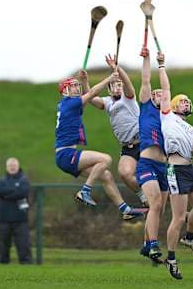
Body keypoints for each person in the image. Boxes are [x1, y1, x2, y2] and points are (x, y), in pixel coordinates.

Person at [54, 69, 147, 220]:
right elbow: (92, 94)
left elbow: (87, 100)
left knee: (106, 176)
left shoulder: (69, 105)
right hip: (66, 154)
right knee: (105, 160)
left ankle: (125, 209)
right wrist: (109, 78)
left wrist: (84, 81)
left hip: (64, 156)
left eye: (77, 86)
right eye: (73, 87)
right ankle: (85, 191)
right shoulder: (70, 103)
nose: (77, 89)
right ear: (65, 91)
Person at [158, 51, 193, 280]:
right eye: (183, 100)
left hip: (189, 168)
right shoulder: (167, 116)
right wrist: (162, 66)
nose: (186, 102)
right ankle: (171, 258)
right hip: (174, 169)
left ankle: (189, 237)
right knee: (178, 217)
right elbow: (167, 88)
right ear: (172, 105)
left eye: (188, 101)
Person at [87, 54, 147, 205]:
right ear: (109, 89)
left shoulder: (128, 98)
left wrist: (116, 68)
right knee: (124, 173)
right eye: (115, 85)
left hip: (143, 142)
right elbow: (90, 97)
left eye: (119, 85)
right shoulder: (107, 102)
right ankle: (143, 195)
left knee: (152, 174)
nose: (118, 87)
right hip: (128, 147)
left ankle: (159, 192)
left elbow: (128, 84)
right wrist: (84, 82)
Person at [136, 47, 169, 264]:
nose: (158, 94)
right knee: (155, 203)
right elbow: (146, 80)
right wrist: (148, 59)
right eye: (155, 94)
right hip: (146, 163)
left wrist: (162, 64)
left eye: (160, 94)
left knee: (159, 209)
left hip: (164, 168)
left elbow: (167, 87)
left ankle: (147, 245)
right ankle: (154, 244)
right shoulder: (146, 107)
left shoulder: (167, 115)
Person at [0, 157, 32, 264]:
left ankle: (26, 262)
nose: (12, 167)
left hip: (21, 218)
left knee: (23, 243)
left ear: (18, 166)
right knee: (3, 243)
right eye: (10, 166)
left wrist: (6, 195)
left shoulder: (24, 180)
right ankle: (3, 261)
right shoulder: (1, 180)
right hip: (4, 217)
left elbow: (23, 192)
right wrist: (14, 192)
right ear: (6, 167)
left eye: (14, 166)